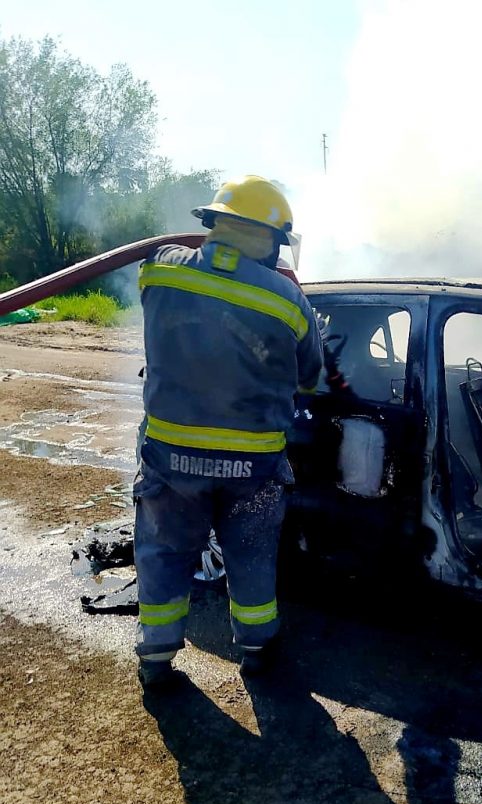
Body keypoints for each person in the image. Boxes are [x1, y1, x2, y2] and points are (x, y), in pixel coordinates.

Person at [133, 175, 323, 688]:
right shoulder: (286, 300)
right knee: (252, 559)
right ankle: (258, 650)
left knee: (164, 556)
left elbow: (160, 266)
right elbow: (311, 376)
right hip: (253, 470)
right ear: (272, 239)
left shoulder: (162, 272)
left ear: (213, 221)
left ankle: (156, 657)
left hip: (171, 463)